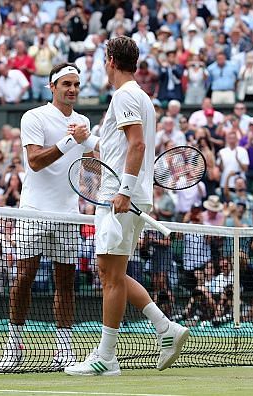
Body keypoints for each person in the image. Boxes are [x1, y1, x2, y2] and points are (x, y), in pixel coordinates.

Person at [65, 37, 188, 377]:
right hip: (122, 194)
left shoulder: (126, 95)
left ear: (110, 61)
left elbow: (137, 144)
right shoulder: (137, 97)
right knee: (111, 273)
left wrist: (124, 190)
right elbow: (116, 148)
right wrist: (86, 140)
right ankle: (166, 329)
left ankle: (106, 358)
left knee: (110, 276)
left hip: (119, 197)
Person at [0, 63, 91, 371]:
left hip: (69, 215)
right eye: (66, 84)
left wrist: (91, 146)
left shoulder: (83, 123)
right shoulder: (34, 117)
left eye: (76, 84)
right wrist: (71, 141)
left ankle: (63, 351)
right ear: (52, 87)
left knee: (65, 283)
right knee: (23, 278)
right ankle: (14, 348)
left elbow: (92, 166)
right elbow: (35, 161)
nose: (72, 89)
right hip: (34, 211)